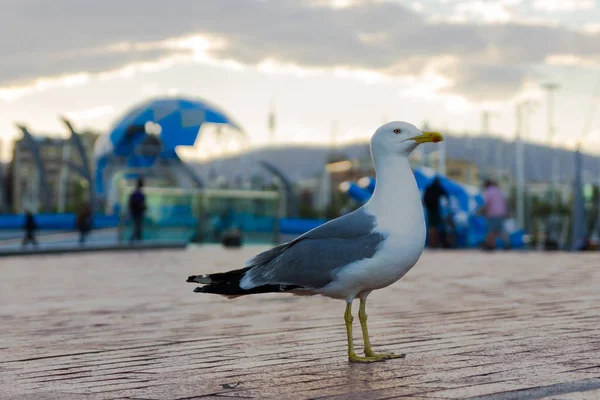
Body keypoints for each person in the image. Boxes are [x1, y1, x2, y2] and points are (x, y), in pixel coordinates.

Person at [481, 179, 510, 250]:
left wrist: (481, 211)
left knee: (490, 230)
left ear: (486, 185)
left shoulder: (488, 192)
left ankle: (490, 245)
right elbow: (505, 202)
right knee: (501, 230)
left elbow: (486, 204)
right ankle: (507, 244)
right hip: (501, 213)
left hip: (493, 214)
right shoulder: (499, 191)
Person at [423, 177, 448, 248]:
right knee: (435, 227)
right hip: (435, 210)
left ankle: (432, 243)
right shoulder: (438, 188)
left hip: (429, 209)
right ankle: (434, 243)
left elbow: (424, 198)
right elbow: (445, 194)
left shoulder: (428, 188)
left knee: (431, 227)